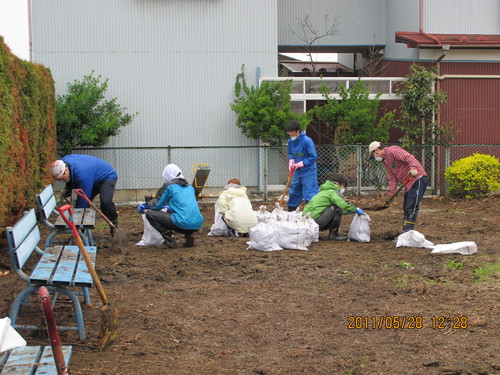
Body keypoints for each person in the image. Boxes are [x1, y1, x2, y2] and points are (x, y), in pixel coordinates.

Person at [368, 141, 428, 236]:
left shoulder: (392, 150)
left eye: (373, 155)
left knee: (411, 207)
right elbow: (392, 178)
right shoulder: (385, 161)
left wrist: (413, 168)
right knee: (406, 208)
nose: (375, 157)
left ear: (377, 150)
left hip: (418, 179)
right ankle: (405, 232)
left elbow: (409, 157)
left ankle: (408, 233)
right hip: (408, 184)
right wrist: (391, 194)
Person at [137, 164, 204, 248]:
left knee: (150, 214)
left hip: (182, 223)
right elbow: (185, 205)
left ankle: (169, 241)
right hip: (197, 223)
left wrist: (144, 205)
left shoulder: (169, 186)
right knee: (186, 215)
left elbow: (157, 204)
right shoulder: (190, 187)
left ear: (168, 175)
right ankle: (189, 236)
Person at [51, 154, 119, 234]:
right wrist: (69, 188)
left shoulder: (82, 175)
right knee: (83, 206)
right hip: (92, 177)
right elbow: (72, 177)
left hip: (106, 176)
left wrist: (77, 223)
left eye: (62, 179)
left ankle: (114, 223)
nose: (62, 181)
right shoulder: (64, 163)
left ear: (65, 171)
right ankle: (81, 233)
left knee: (105, 201)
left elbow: (83, 201)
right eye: (59, 180)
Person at [303, 174, 365, 241]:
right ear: (340, 184)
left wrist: (349, 211)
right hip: (314, 221)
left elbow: (331, 212)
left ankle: (315, 233)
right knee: (336, 207)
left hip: (307, 222)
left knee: (335, 208)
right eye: (344, 186)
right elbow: (343, 204)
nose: (343, 189)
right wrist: (355, 209)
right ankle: (334, 235)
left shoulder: (324, 192)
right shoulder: (333, 192)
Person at [286, 120, 319, 212]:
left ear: (298, 131)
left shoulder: (307, 141)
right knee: (295, 190)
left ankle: (313, 211)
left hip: (308, 171)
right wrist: (291, 160)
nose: (291, 134)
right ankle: (292, 209)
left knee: (310, 191)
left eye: (292, 132)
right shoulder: (291, 141)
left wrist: (302, 163)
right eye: (289, 132)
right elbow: (291, 153)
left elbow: (313, 156)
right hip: (297, 171)